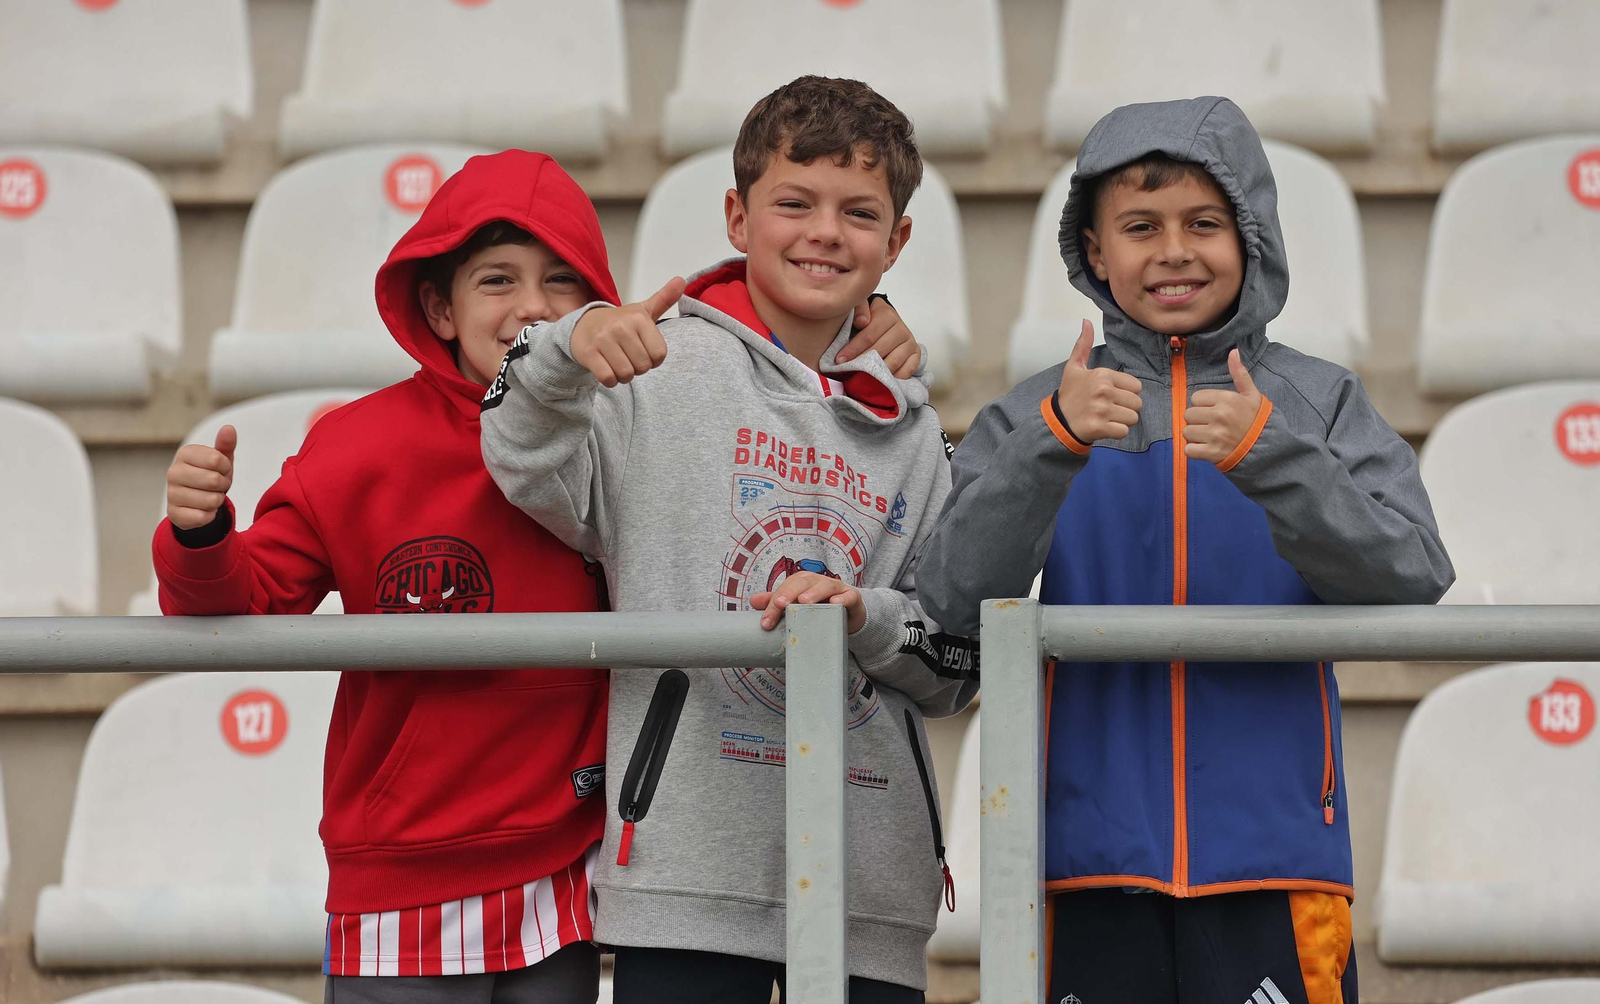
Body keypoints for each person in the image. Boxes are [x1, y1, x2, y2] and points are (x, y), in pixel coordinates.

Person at [154, 148, 923, 1004]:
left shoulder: (623, 427)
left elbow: (746, 348)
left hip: (565, 870)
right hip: (402, 868)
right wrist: (201, 533)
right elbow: (246, 600)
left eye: (563, 283)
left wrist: (862, 318)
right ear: (438, 307)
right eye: (495, 280)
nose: (532, 307)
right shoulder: (355, 446)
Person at [915, 97, 1454, 1004]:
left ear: (1253, 235)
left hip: (1277, 858)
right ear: (1093, 252)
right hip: (1084, 864)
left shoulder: (1317, 402)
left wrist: (1273, 456)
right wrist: (1052, 443)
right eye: (1139, 226)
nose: (1173, 250)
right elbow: (952, 593)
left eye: (1204, 222)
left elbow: (1412, 575)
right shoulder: (1042, 407)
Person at [480, 76, 978, 1004]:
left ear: (896, 242)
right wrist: (563, 342)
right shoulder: (650, 371)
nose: (825, 232)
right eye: (794, 202)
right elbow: (519, 457)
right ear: (737, 219)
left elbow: (956, 660)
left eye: (859, 212)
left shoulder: (916, 431)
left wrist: (865, 617)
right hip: (683, 876)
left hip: (868, 886)